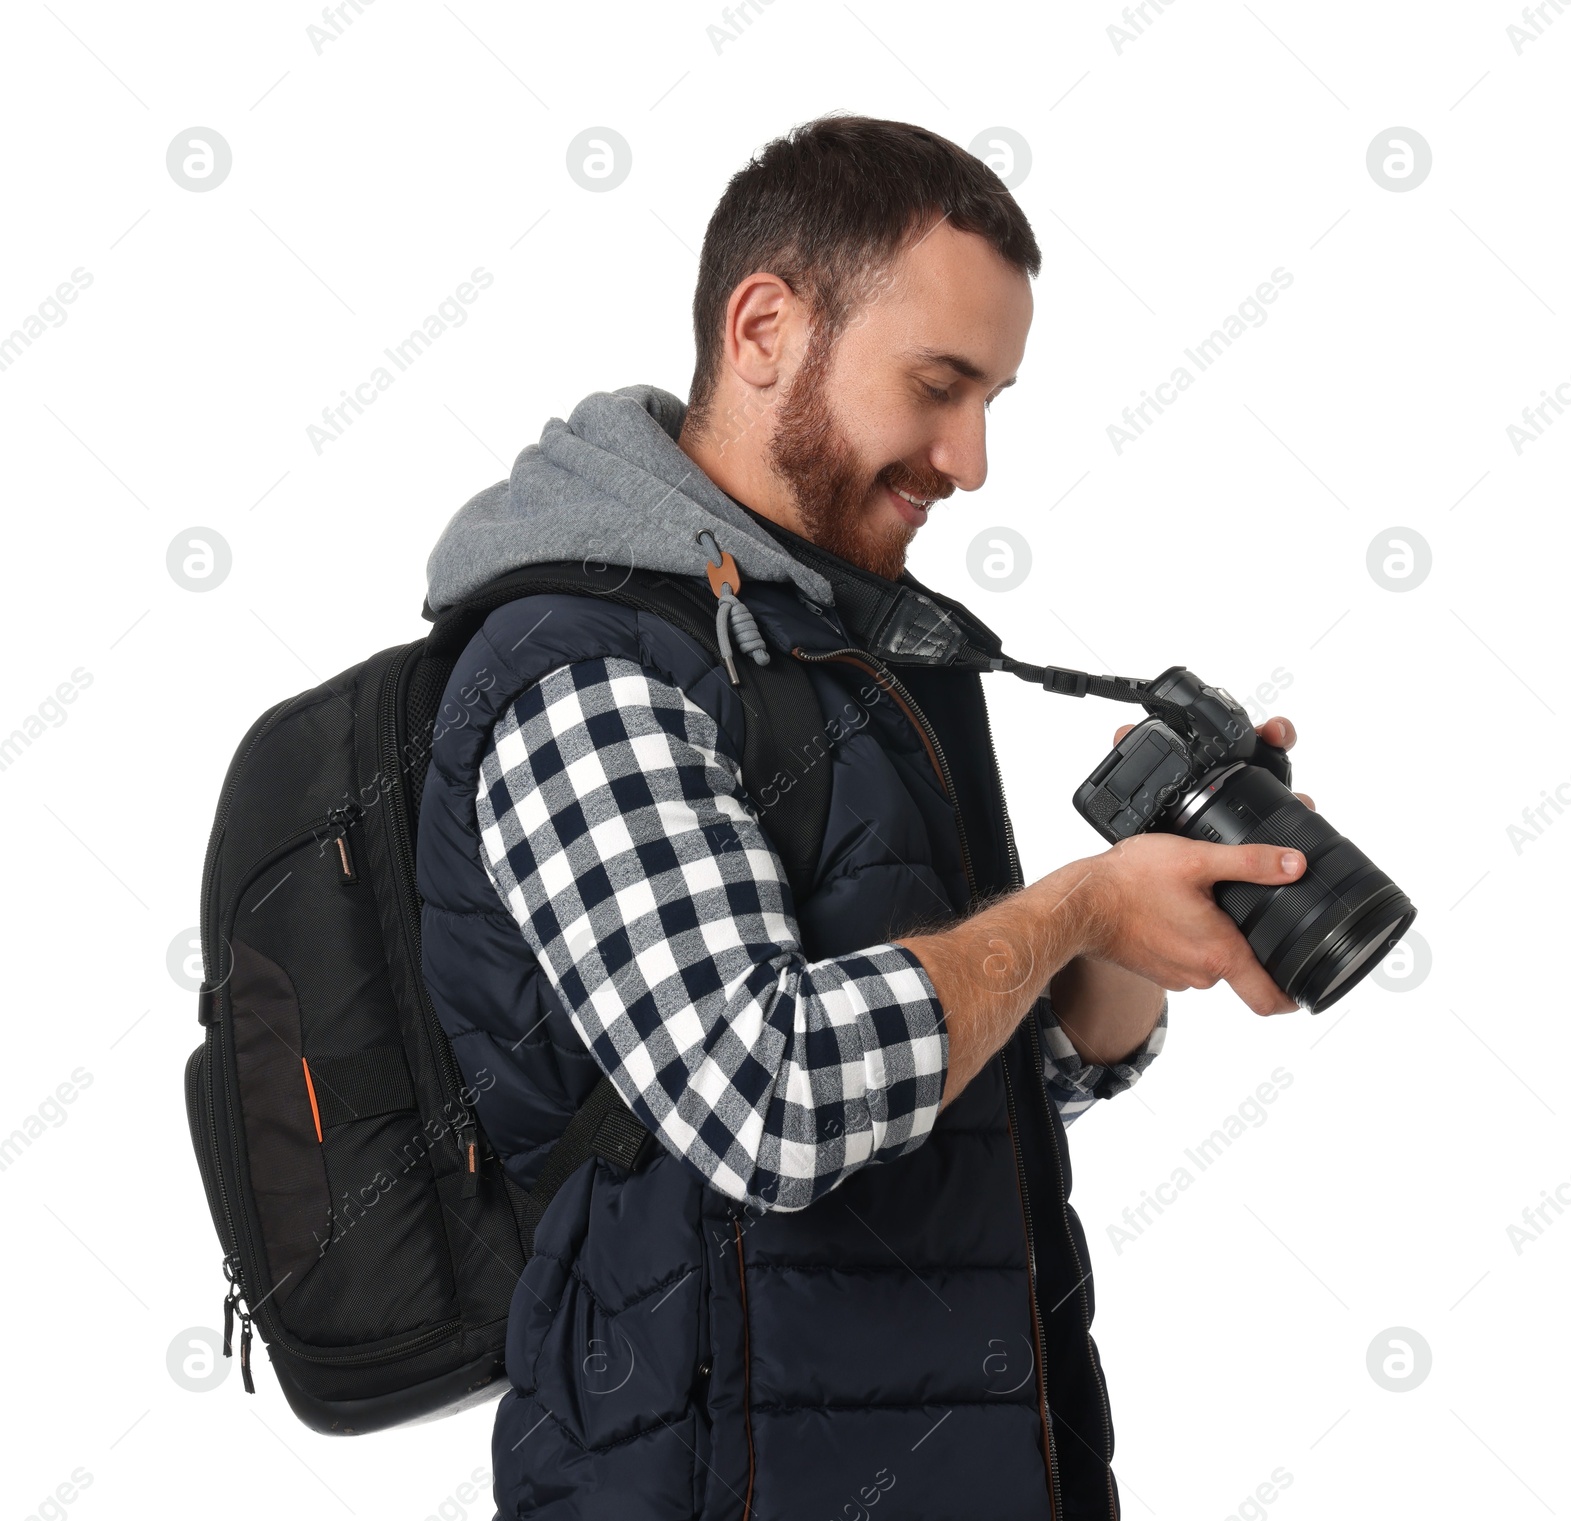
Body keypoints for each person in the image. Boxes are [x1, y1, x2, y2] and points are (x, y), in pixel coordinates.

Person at [415, 114, 1311, 1521]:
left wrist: (1144, 922)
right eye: (940, 386)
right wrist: (1075, 902)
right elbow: (768, 1105)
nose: (971, 458)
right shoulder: (580, 664)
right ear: (765, 324)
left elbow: (990, 1090)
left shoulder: (866, 653)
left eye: (994, 399)